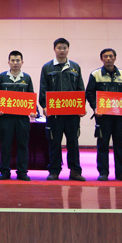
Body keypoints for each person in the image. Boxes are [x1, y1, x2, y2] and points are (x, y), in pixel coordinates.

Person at [39, 38, 86, 181]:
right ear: (54, 49)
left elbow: (80, 88)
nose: (62, 50)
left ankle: (75, 171)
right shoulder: (47, 67)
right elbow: (43, 89)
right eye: (59, 48)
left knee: (73, 142)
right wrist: (45, 106)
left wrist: (81, 106)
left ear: (68, 49)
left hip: (72, 114)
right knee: (54, 142)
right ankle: (54, 171)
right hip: (54, 114)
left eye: (65, 48)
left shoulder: (75, 67)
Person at [85, 48, 122, 181]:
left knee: (121, 144)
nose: (108, 59)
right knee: (103, 144)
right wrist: (95, 107)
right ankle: (103, 172)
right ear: (101, 59)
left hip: (120, 117)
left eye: (111, 56)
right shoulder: (95, 74)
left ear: (115, 58)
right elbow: (89, 93)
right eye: (105, 56)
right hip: (103, 117)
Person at [0, 51, 37, 181]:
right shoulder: (2, 77)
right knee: (5, 145)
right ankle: (5, 171)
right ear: (8, 62)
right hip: (6, 117)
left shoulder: (27, 78)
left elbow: (31, 96)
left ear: (22, 62)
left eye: (18, 60)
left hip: (22, 118)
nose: (15, 63)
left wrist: (33, 110)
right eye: (13, 60)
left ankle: (22, 172)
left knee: (23, 145)